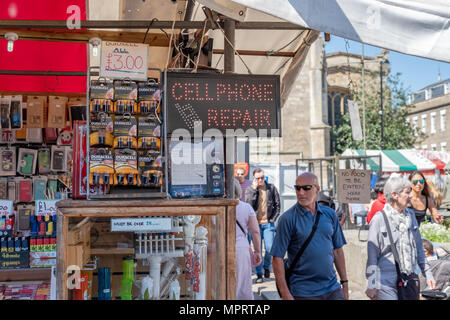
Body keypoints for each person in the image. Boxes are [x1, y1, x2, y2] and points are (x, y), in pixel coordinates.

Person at [271, 172, 349, 300]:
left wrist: (345, 284)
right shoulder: (288, 218)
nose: (301, 193)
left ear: (317, 189)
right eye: (298, 188)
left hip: (332, 288)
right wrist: (285, 293)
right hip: (303, 291)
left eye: (306, 188)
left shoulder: (329, 214)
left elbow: (337, 250)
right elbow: (277, 258)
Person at [365, 176, 436, 300]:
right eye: (407, 192)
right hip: (385, 283)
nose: (411, 196)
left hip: (409, 280)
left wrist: (428, 274)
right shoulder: (379, 219)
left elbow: (419, 248)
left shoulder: (411, 216)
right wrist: (371, 284)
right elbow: (372, 256)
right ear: (394, 195)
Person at [245, 168, 280, 283]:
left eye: (262, 177)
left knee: (270, 248)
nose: (260, 180)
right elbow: (249, 206)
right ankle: (259, 274)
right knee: (257, 250)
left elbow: (277, 205)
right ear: (254, 179)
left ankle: (266, 266)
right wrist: (254, 190)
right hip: (255, 225)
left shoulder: (271, 188)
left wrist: (273, 219)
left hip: (268, 224)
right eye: (258, 178)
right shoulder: (250, 189)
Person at [234, 179, 262, 300]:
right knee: (243, 282)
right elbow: (255, 231)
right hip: (241, 248)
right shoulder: (246, 207)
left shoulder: (218, 208)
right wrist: (257, 251)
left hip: (220, 247)